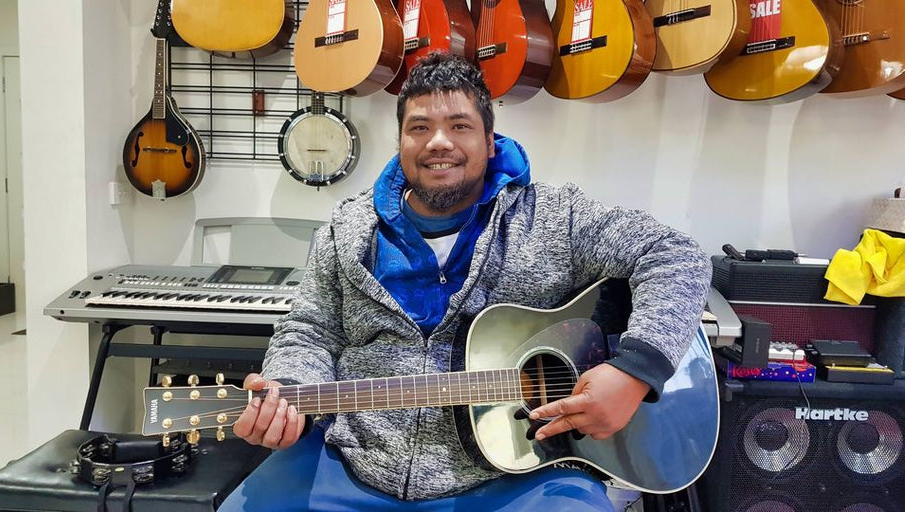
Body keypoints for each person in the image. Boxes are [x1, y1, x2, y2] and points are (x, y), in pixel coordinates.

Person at [220, 52, 711, 511]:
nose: (438, 141)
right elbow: (309, 330)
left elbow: (676, 256)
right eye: (420, 127)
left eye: (459, 126)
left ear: (489, 141)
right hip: (354, 463)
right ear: (401, 143)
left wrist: (634, 373)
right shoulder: (347, 229)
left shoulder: (555, 216)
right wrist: (289, 391)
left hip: (523, 475)